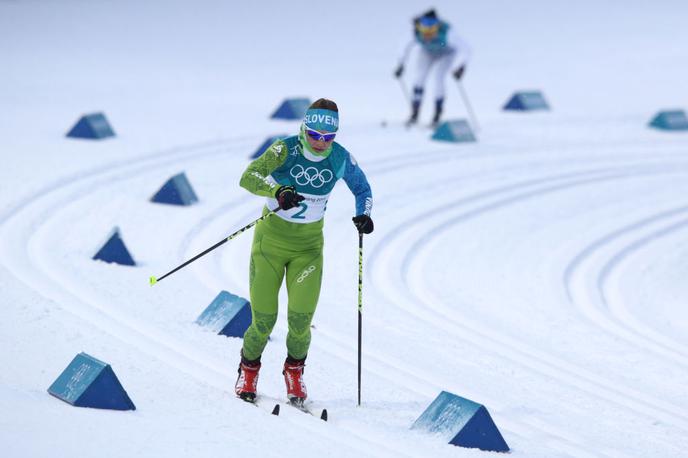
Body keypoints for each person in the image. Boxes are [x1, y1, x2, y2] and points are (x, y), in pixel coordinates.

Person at [234, 98, 374, 405]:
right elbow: (248, 176)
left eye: (328, 137)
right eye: (315, 136)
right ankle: (249, 369)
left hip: (308, 250)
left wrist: (364, 215)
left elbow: (362, 189)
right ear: (304, 129)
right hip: (269, 245)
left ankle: (294, 372)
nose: (321, 143)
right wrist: (277, 191)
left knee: (300, 321)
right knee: (263, 320)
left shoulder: (339, 158)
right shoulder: (285, 150)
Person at [394, 9, 471, 127]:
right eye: (424, 31)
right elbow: (404, 45)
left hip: (447, 53)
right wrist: (401, 64)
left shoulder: (448, 33)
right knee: (419, 79)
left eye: (431, 32)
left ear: (437, 27)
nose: (427, 35)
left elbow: (465, 49)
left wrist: (460, 67)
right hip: (427, 52)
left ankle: (437, 115)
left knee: (438, 78)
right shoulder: (416, 31)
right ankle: (414, 114)